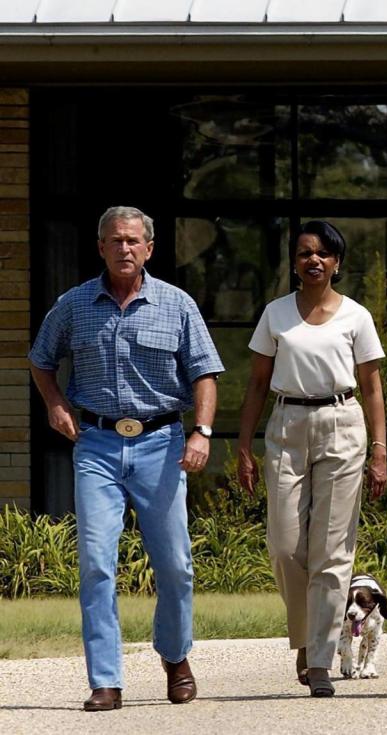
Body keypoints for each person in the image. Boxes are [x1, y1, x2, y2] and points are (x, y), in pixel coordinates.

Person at [29, 206, 224, 712]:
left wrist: (201, 432)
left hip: (161, 445)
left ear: (149, 248)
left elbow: (205, 373)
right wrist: (55, 404)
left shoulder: (177, 305)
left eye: (134, 241)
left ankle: (176, 659)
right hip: (95, 444)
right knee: (96, 563)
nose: (124, 249)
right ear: (101, 247)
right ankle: (106, 679)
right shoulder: (73, 305)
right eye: (115, 241)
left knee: (175, 565)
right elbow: (40, 358)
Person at [236, 220, 387, 698]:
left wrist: (380, 450)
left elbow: (372, 387)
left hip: (343, 423)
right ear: (295, 263)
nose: (313, 260)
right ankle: (305, 633)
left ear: (337, 262)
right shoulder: (276, 314)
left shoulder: (357, 317)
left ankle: (318, 659)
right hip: (287, 426)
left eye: (323, 253)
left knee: (331, 550)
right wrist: (243, 445)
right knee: (284, 544)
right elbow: (257, 382)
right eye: (304, 253)